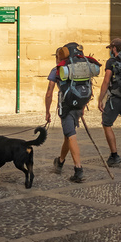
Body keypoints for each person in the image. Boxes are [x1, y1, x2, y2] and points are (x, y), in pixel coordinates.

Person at [45, 47, 85, 183]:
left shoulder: (56, 69)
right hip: (78, 105)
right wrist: (83, 106)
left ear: (58, 56)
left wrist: (47, 111)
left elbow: (49, 92)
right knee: (68, 135)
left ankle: (78, 169)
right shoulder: (79, 68)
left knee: (71, 135)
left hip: (66, 107)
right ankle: (60, 162)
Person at [98, 38, 121, 168]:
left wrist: (100, 99)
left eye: (110, 49)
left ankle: (114, 156)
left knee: (107, 123)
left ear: (114, 48)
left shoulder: (112, 61)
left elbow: (106, 82)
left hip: (116, 98)